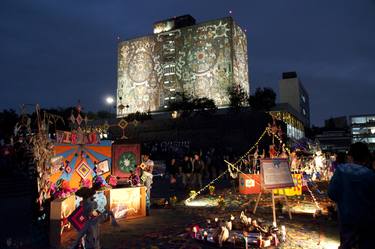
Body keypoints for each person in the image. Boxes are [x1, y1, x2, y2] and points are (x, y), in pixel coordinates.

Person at [328, 142, 375, 249]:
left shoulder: (341, 171)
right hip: (367, 220)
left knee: (347, 243)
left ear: (350, 156)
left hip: (346, 217)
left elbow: (331, 193)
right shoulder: (371, 175)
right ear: (366, 157)